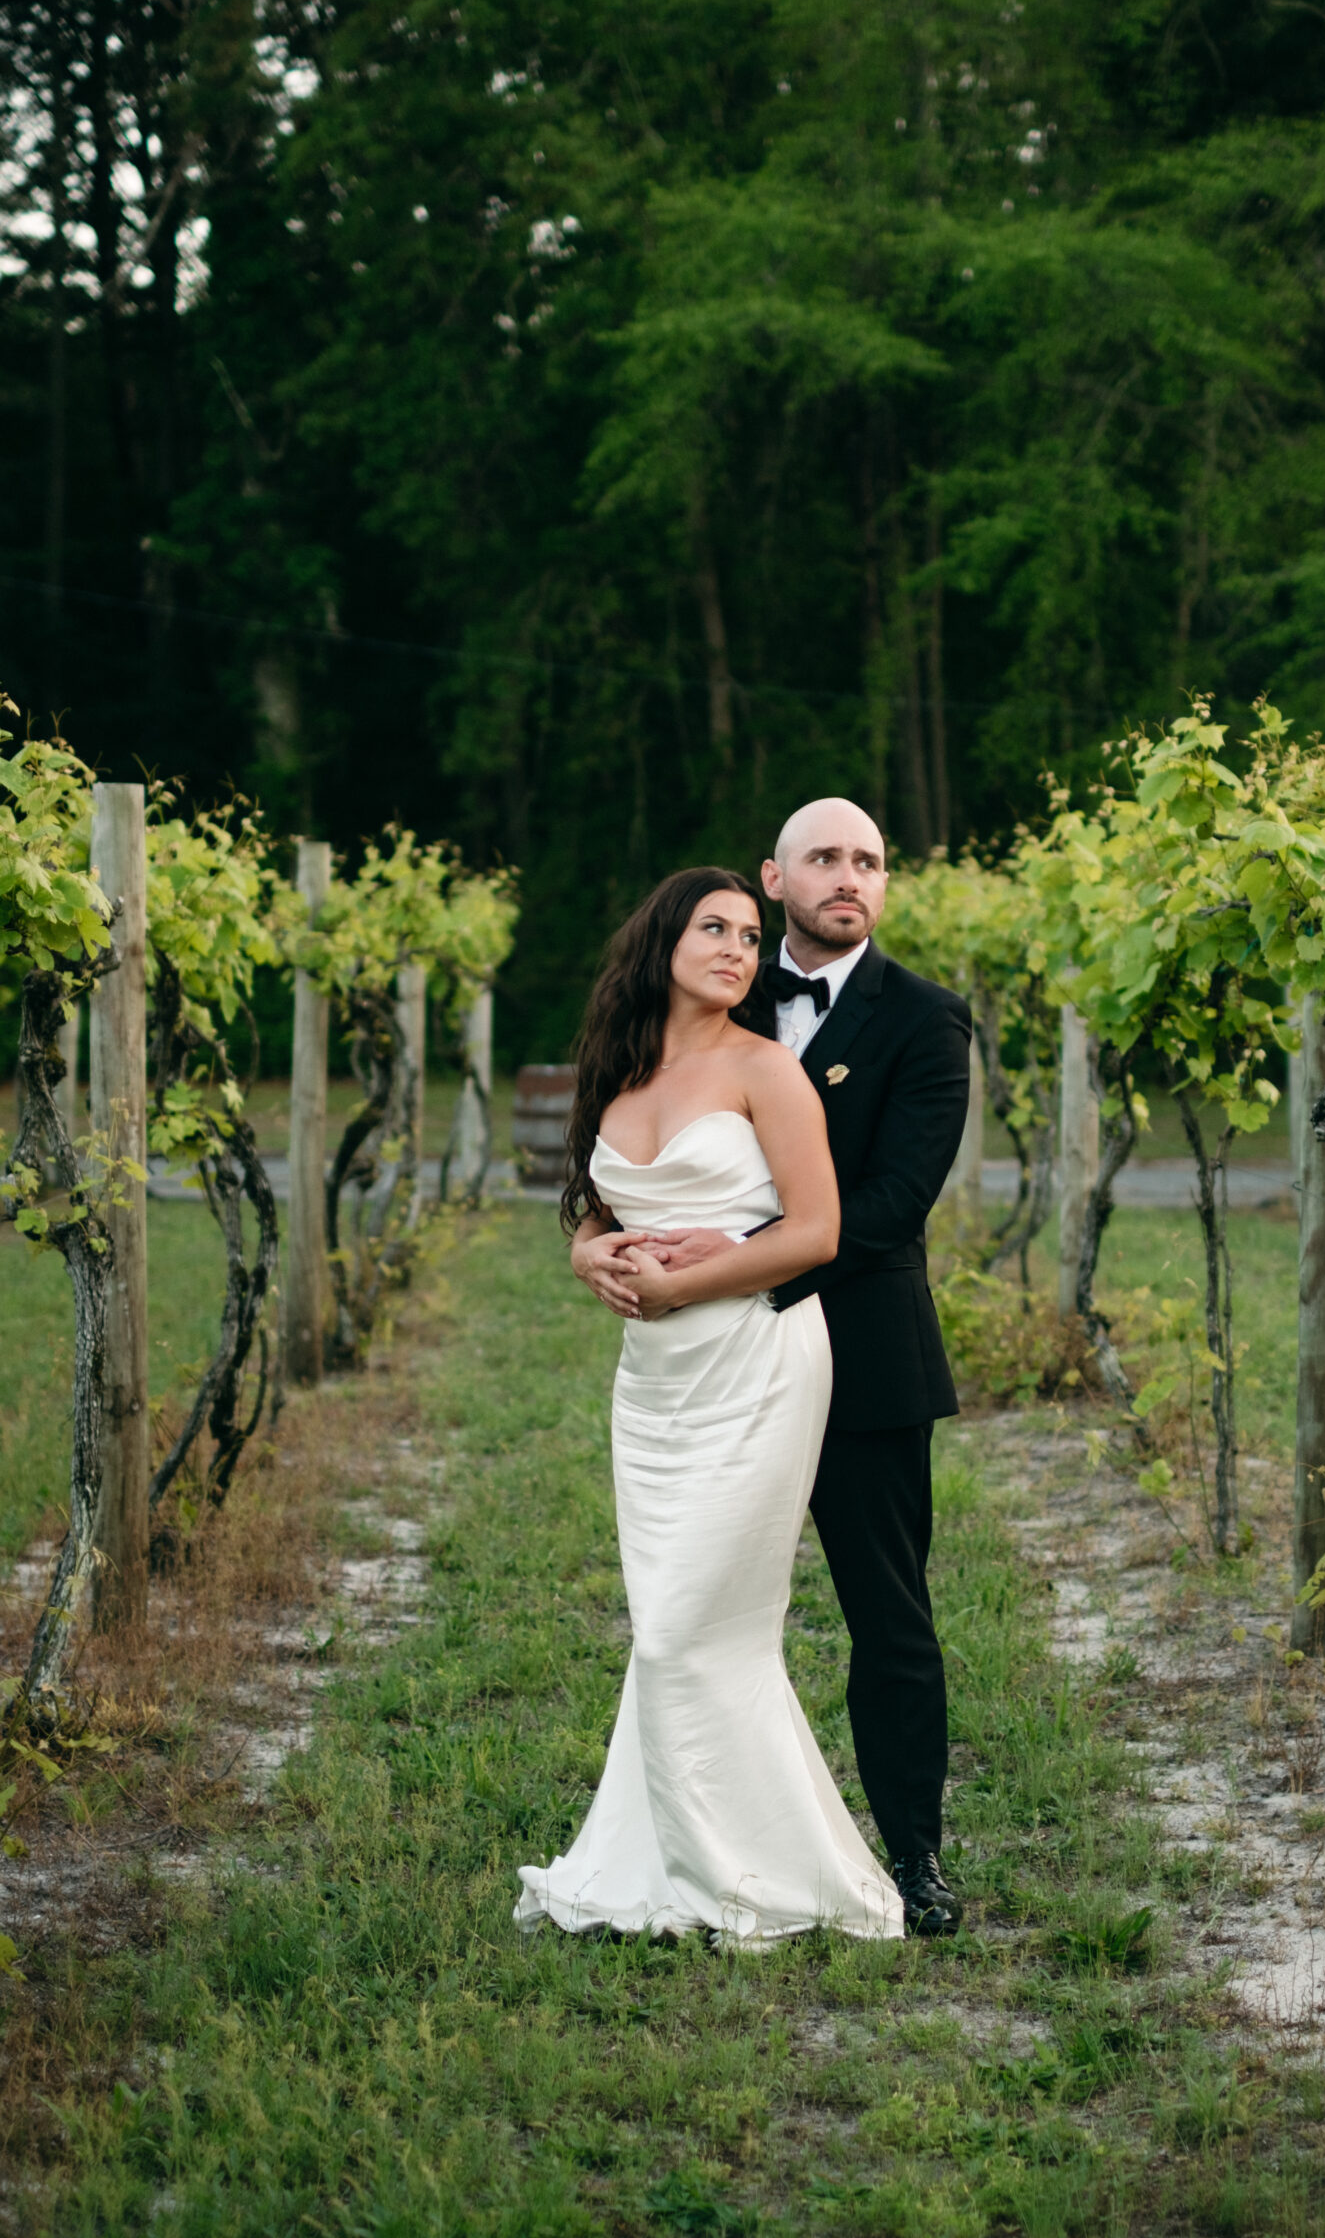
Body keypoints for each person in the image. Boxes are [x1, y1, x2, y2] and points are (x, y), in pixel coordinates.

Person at [574, 803, 972, 1937]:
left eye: (871, 862)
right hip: (697, 1373)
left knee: (888, 1618)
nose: (851, 879)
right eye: (826, 859)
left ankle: (917, 1854)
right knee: (693, 1611)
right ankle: (706, 1843)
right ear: (774, 877)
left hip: (861, 1360)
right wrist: (601, 1247)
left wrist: (736, 1267)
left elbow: (889, 1206)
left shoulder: (929, 1021)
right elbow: (622, 1170)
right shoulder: (710, 992)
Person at [517, 867, 904, 1943]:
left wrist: (687, 1281)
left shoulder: (767, 1071)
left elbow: (816, 1231)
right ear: (661, 940)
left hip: (756, 1359)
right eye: (714, 928)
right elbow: (594, 1210)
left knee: (694, 1629)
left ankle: (737, 1877)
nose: (739, 948)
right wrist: (591, 1254)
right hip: (654, 1387)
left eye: (748, 934)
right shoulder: (618, 1068)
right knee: (665, 1624)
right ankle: (675, 1861)